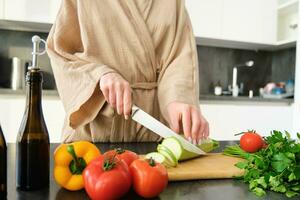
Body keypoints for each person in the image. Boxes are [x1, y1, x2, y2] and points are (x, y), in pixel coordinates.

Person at [47, 0, 209, 144]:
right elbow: (60, 52)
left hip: (153, 134)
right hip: (93, 135)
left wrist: (177, 98)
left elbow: (179, 57)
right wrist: (100, 75)